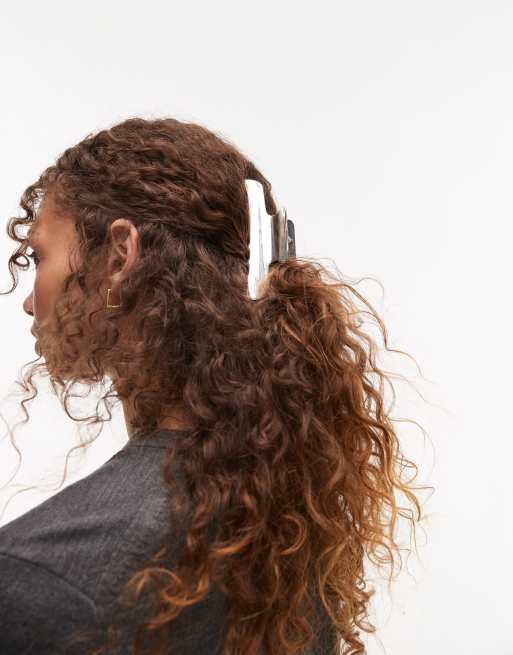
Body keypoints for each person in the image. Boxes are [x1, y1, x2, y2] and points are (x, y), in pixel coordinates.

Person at [0, 117, 426, 654]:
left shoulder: (34, 580)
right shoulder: (287, 525)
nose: (29, 300)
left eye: (39, 256)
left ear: (119, 256)